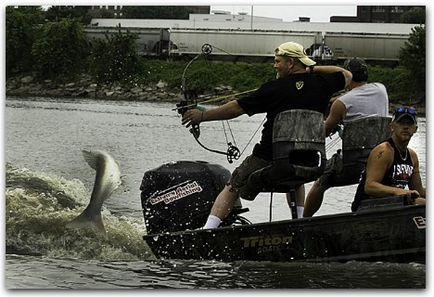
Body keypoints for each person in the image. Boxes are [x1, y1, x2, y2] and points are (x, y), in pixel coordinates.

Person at [182, 41, 352, 229]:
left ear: (291, 63)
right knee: (295, 179)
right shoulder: (323, 84)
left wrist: (203, 116)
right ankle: (300, 222)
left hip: (269, 157)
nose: (275, 65)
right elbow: (346, 74)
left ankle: (209, 229)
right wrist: (311, 69)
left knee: (233, 184)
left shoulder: (273, 88)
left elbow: (236, 108)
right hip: (310, 160)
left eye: (278, 61)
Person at [302, 57, 389, 217]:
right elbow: (358, 98)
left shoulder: (341, 103)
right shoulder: (381, 90)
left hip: (353, 164)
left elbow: (324, 131)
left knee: (321, 181)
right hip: (381, 161)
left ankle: (304, 220)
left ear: (347, 76)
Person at [351, 106, 426, 211]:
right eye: (401, 123)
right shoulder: (383, 151)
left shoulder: (412, 156)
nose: (405, 127)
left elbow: (419, 191)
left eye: (409, 123)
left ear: (415, 129)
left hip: (394, 205)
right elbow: (370, 186)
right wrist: (400, 192)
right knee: (422, 205)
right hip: (366, 207)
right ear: (392, 127)